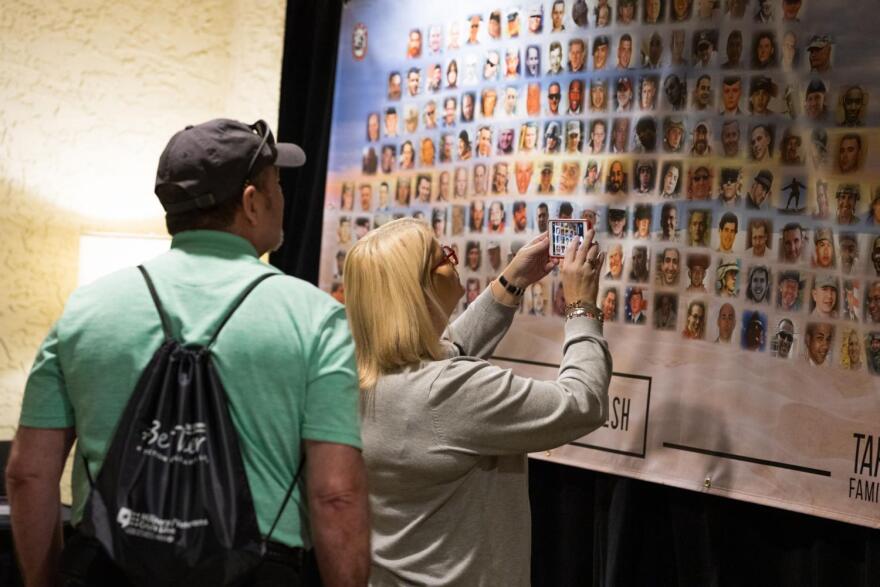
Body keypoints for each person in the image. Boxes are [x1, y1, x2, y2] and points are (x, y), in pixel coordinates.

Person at [8, 119, 369, 585]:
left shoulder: (86, 308)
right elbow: (336, 494)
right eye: (277, 186)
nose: (283, 200)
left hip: (107, 569)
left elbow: (28, 475)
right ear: (251, 202)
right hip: (254, 572)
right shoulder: (314, 318)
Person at [345, 219, 610, 584]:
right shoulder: (447, 391)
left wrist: (512, 281)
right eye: (442, 257)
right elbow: (582, 402)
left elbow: (449, 349)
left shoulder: (360, 373)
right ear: (416, 290)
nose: (453, 258)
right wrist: (582, 307)